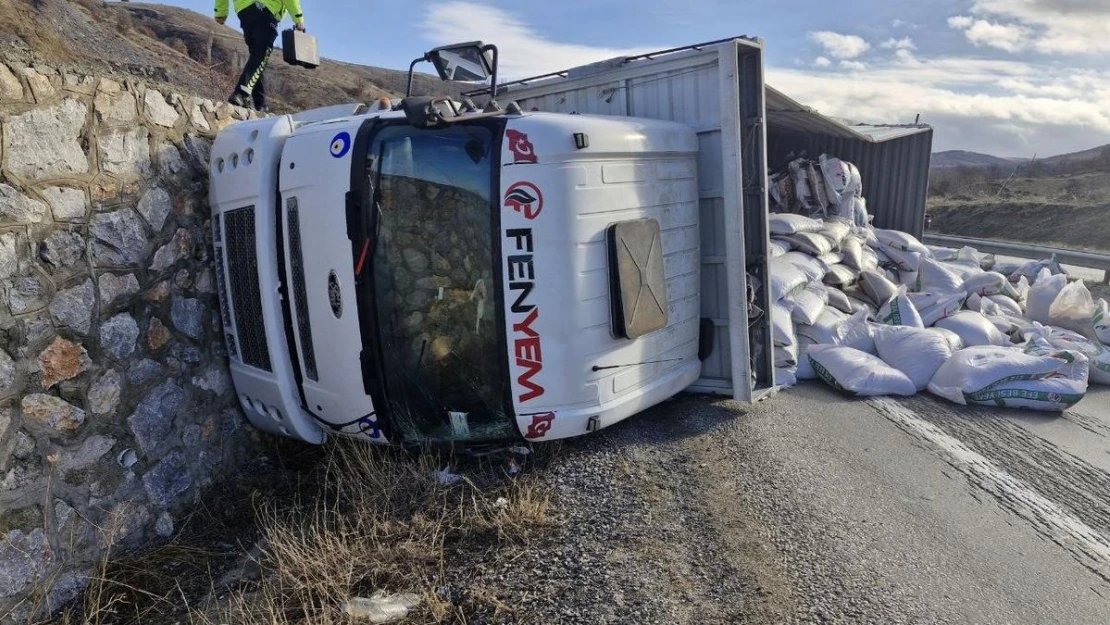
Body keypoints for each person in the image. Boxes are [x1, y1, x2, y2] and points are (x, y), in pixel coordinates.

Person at [214, 1, 306, 111]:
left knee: (257, 57)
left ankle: (260, 104)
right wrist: (298, 19)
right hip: (265, 10)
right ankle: (241, 93)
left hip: (244, 12)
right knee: (261, 55)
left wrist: (220, 12)